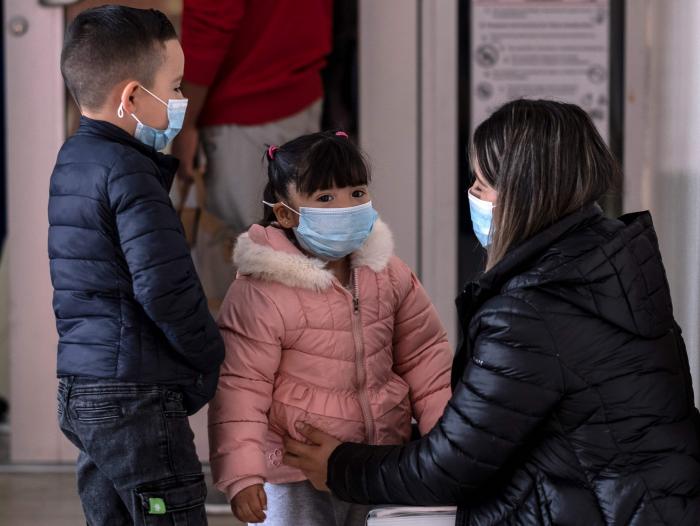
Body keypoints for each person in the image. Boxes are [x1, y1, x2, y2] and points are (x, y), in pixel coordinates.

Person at [283, 100, 700, 525]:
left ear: (526, 192)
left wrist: (340, 466)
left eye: (482, 185)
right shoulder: (609, 268)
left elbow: (452, 465)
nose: (473, 196)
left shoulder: (534, 307)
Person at [208, 131, 454, 525]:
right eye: (325, 198)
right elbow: (239, 386)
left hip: (376, 461)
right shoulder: (261, 292)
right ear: (286, 214)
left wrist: (447, 446)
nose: (347, 206)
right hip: (295, 471)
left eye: (356, 193)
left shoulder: (388, 274)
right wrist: (242, 474)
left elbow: (427, 359)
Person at [49, 6, 224, 524]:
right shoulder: (131, 171)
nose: (178, 103)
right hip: (135, 396)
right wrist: (210, 353)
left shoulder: (72, 160)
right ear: (131, 97)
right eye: (173, 88)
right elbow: (165, 286)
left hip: (82, 388)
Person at [172, 0, 333, 308]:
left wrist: (185, 120)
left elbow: (213, 16)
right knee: (287, 270)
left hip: (246, 100)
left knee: (254, 283)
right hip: (293, 88)